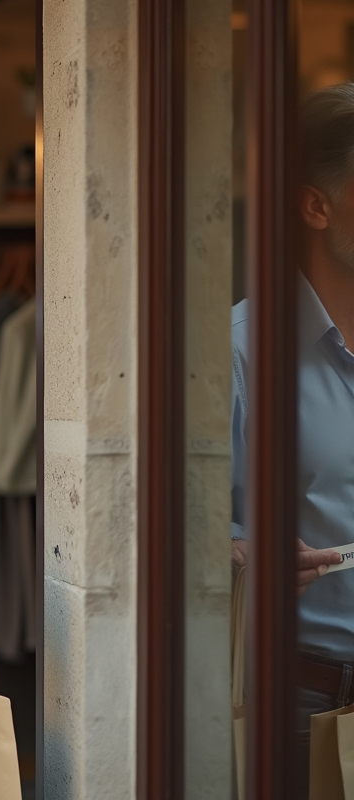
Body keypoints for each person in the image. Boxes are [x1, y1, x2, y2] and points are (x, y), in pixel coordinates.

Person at [230, 82, 354, 784]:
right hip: (303, 704)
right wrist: (249, 552)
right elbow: (182, 530)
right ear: (315, 205)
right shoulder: (242, 354)